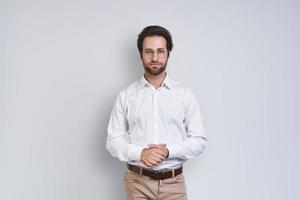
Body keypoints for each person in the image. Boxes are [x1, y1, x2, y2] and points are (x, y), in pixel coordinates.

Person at [106, 25, 207, 200]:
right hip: (137, 183)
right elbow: (113, 142)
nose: (155, 58)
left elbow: (199, 141)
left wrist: (169, 151)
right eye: (148, 52)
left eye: (160, 51)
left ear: (168, 53)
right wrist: (140, 153)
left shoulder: (184, 95)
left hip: (174, 184)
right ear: (140, 55)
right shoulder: (126, 96)